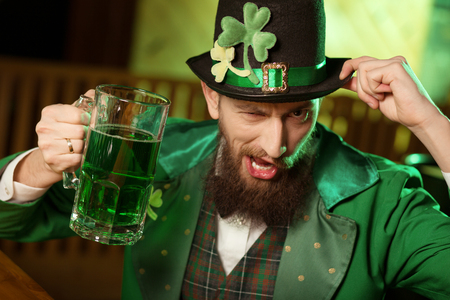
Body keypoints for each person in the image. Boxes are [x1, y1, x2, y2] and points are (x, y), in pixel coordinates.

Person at [1, 0, 450, 299]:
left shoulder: (383, 199)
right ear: (213, 98)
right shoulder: (155, 158)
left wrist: (431, 123)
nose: (276, 147)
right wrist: (44, 163)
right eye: (253, 114)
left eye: (298, 114)